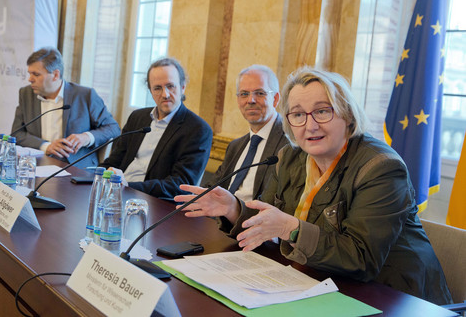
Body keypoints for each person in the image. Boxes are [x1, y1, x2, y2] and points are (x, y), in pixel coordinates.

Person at [175, 66, 452, 304]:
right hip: (323, 283)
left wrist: (290, 229)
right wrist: (233, 208)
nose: (310, 125)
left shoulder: (381, 167)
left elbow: (361, 259)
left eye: (322, 112)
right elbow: (270, 219)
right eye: (297, 114)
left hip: (398, 297)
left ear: (347, 115)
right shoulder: (290, 157)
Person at [103, 57, 213, 200]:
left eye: (170, 86)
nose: (165, 94)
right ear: (150, 90)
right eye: (157, 88)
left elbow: (180, 185)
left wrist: (128, 186)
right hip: (116, 195)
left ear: (182, 87)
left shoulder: (198, 129)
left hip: (155, 204)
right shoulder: (137, 117)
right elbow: (114, 162)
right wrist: (98, 175)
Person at [11, 47, 120, 169]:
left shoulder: (85, 95)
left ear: (55, 75)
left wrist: (86, 137)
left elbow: (113, 128)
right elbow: (17, 133)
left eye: (36, 74)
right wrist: (46, 146)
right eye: (29, 73)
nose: (30, 79)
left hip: (75, 167)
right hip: (36, 164)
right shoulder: (26, 94)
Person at [202, 65, 287, 202]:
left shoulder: (289, 144)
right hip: (221, 220)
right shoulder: (235, 146)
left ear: (275, 99)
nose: (251, 100)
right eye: (244, 94)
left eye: (260, 93)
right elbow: (212, 187)